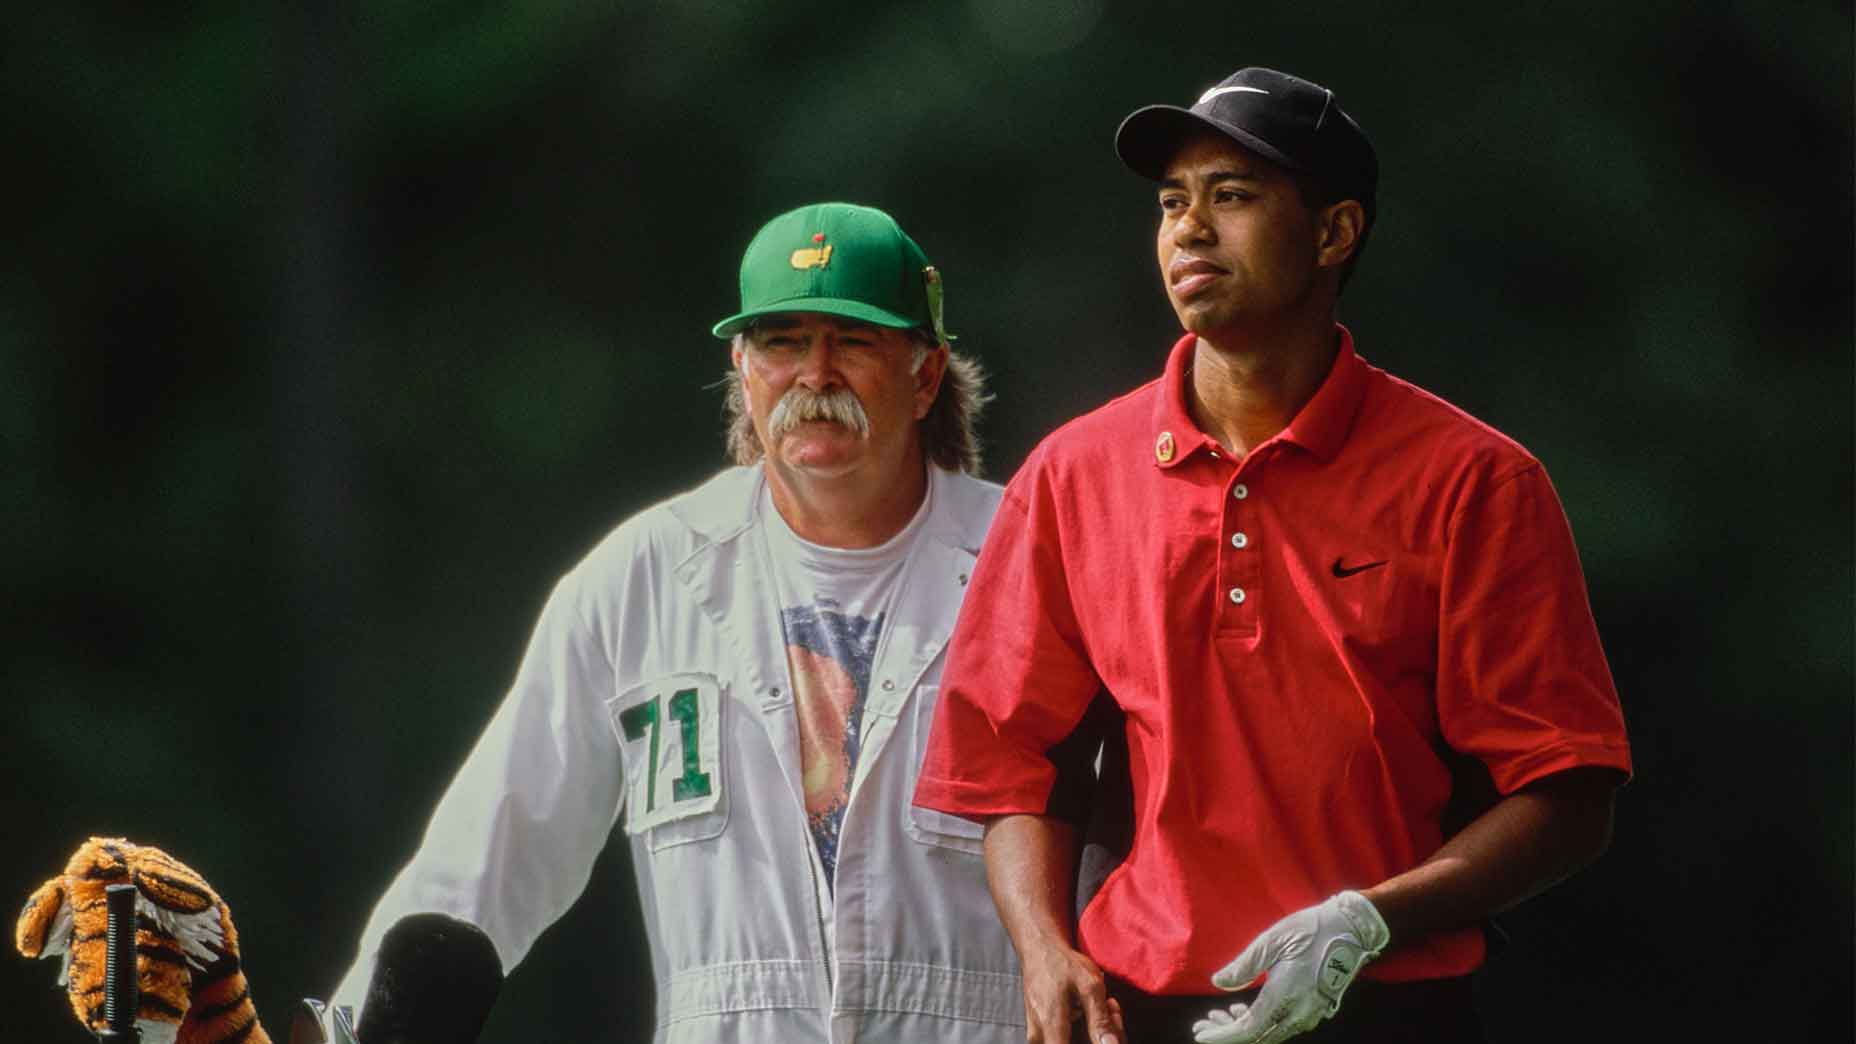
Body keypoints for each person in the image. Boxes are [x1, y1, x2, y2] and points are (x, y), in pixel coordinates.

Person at [913, 67, 1633, 1044]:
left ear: (1334, 231)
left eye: (1232, 197)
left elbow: (1566, 790)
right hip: (1142, 1005)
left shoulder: (1472, 481)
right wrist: (1045, 954)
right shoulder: (1070, 477)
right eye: (1172, 202)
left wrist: (1372, 919)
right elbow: (1010, 768)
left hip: (1388, 998)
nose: (1188, 229)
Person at [321, 202, 1031, 1043]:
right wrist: (343, 1028)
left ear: (925, 375)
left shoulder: (1030, 560)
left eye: (853, 339)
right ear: (742, 367)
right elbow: (488, 856)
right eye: (782, 341)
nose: (815, 374)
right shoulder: (643, 579)